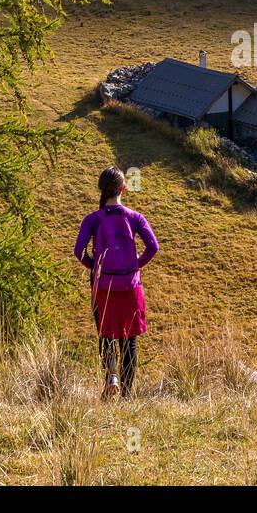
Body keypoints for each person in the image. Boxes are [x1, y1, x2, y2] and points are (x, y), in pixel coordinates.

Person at [73, 166, 159, 399]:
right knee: (129, 339)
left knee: (106, 334)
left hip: (103, 286)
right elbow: (153, 247)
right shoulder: (134, 217)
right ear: (123, 188)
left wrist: (96, 267)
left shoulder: (92, 219)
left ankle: (110, 377)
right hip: (130, 286)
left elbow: (79, 251)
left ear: (101, 189)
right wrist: (135, 265)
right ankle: (127, 394)